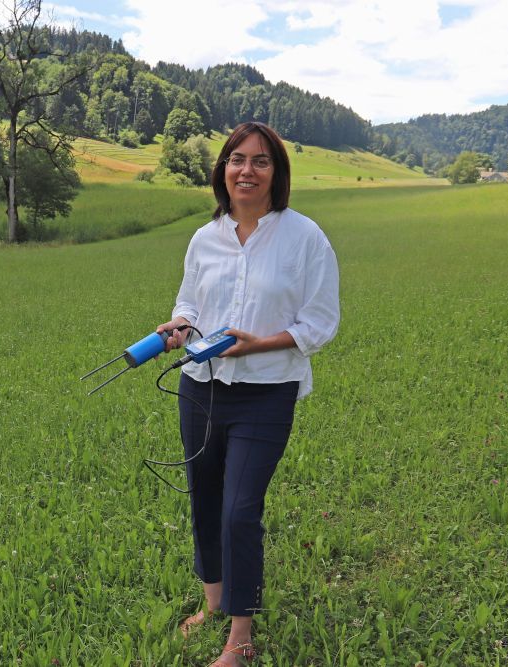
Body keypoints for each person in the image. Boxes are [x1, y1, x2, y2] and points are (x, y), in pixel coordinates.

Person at [156, 121, 340, 666]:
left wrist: (259, 344)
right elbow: (190, 303)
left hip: (266, 391)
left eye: (261, 161)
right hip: (201, 389)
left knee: (239, 510)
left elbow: (320, 322)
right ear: (223, 169)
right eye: (237, 159)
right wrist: (180, 326)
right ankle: (212, 601)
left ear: (276, 172)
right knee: (205, 498)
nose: (247, 170)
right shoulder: (205, 237)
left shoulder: (305, 238)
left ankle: (241, 636)